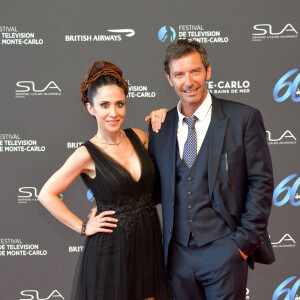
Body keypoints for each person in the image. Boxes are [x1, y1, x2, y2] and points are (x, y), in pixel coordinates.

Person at [147, 39, 275, 300]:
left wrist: (242, 244)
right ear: (169, 79)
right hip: (177, 257)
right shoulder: (161, 126)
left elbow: (261, 183)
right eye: (179, 74)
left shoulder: (243, 118)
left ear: (208, 71)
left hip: (225, 251)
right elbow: (152, 189)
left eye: (195, 71)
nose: (188, 81)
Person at [38, 60, 173, 300]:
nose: (114, 112)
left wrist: (163, 117)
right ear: (91, 108)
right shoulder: (85, 154)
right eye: (104, 105)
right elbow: (46, 194)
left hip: (148, 244)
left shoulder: (140, 138)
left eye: (119, 104)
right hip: (110, 252)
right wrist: (82, 227)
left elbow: (171, 165)